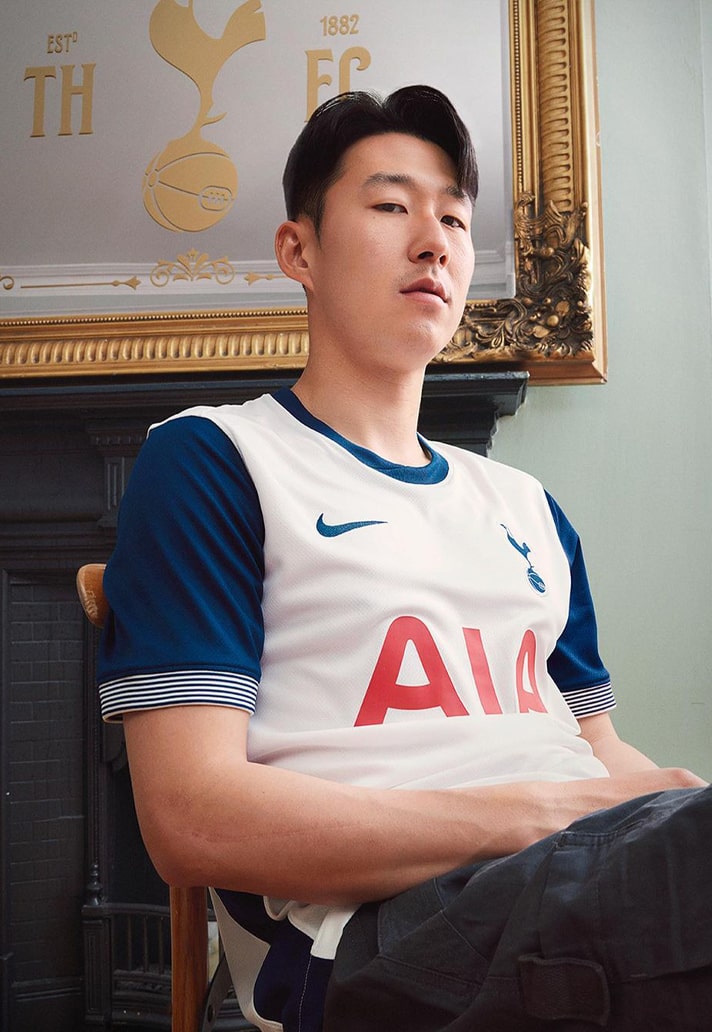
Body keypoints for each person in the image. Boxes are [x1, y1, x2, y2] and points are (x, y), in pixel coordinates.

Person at [97, 85, 709, 1031]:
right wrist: (557, 813)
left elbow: (598, 748)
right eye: (390, 206)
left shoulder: (528, 508)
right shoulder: (217, 459)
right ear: (298, 250)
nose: (434, 243)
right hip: (379, 932)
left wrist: (664, 807)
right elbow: (192, 818)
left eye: (455, 220)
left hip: (578, 882)